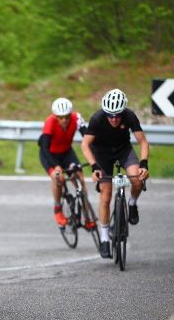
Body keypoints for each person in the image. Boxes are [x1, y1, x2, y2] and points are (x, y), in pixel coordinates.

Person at [81, 88, 149, 258]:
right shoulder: (97, 118)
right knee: (106, 196)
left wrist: (144, 164)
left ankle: (132, 204)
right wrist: (94, 167)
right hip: (102, 155)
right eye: (110, 115)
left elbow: (143, 142)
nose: (114, 119)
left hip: (123, 150)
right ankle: (105, 239)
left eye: (117, 115)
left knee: (137, 180)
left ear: (123, 112)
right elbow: (85, 145)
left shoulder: (130, 116)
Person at [39, 97, 94, 228]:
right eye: (60, 117)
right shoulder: (50, 122)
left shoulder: (77, 118)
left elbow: (88, 137)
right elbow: (44, 149)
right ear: (55, 116)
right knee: (59, 178)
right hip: (50, 155)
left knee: (80, 180)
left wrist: (94, 158)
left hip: (67, 153)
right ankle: (58, 208)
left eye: (67, 117)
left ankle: (87, 217)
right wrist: (56, 166)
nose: (64, 120)